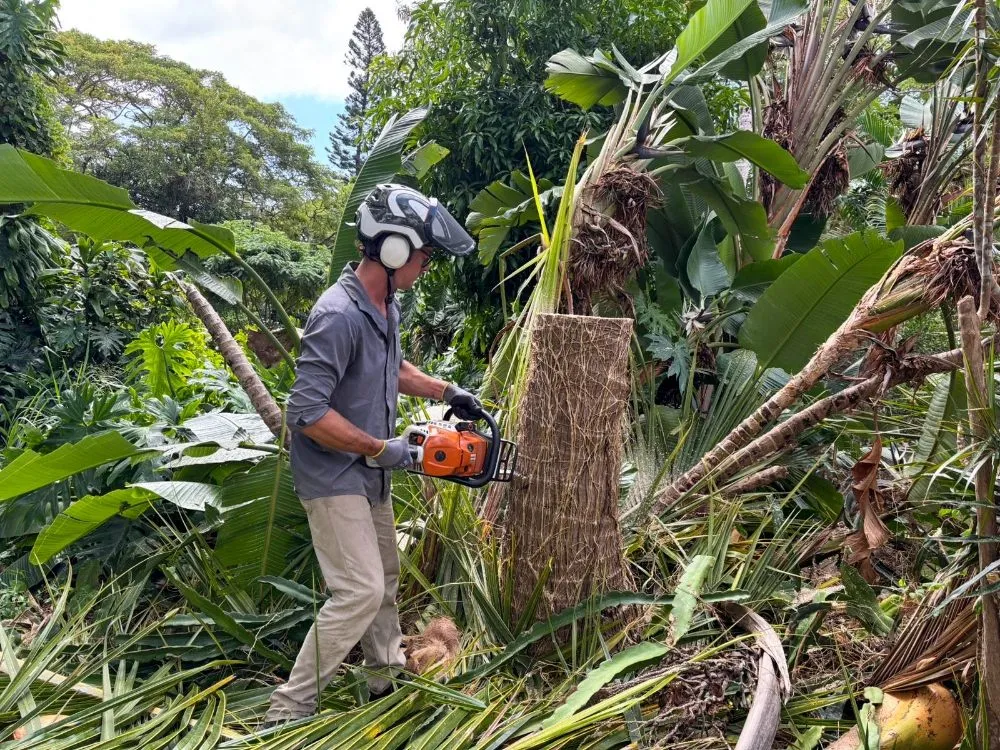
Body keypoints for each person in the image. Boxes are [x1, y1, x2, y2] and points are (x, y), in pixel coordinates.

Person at [264, 184, 482, 724]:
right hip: (333, 474)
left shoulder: (385, 305)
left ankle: (384, 674)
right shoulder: (338, 314)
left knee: (384, 578)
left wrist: (447, 390)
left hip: (369, 473)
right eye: (423, 255)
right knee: (359, 590)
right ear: (392, 247)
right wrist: (380, 448)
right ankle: (288, 708)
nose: (425, 266)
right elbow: (306, 412)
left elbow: (393, 367)